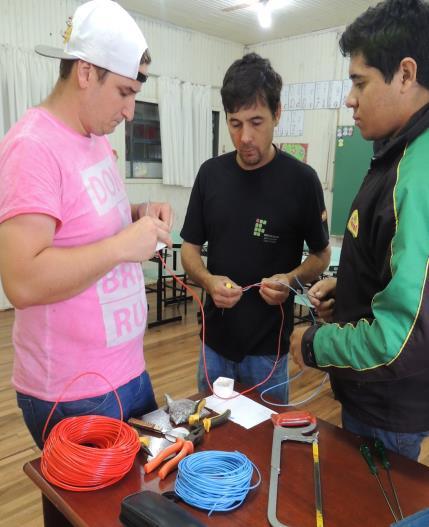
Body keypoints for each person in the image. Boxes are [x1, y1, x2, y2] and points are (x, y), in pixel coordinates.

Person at [0, 0, 173, 449]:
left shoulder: (93, 137)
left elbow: (82, 223)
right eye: (123, 92)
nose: (131, 111)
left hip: (127, 370)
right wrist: (121, 246)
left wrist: (136, 217)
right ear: (84, 73)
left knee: (144, 507)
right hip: (74, 393)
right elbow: (22, 280)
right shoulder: (32, 146)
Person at [290, 0, 429, 460]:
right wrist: (346, 288)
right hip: (372, 398)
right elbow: (393, 269)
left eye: (359, 81)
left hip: (387, 407)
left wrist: (313, 344)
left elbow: (402, 337)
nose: (350, 98)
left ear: (406, 75)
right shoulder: (397, 151)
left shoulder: (417, 174)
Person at [181, 53, 331, 403]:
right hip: (213, 345)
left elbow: (321, 254)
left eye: (256, 122)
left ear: (277, 114)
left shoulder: (302, 181)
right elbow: (189, 249)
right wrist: (207, 280)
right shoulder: (210, 175)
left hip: (268, 351)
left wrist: (291, 278)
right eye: (235, 123)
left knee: (266, 444)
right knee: (209, 439)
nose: (245, 136)